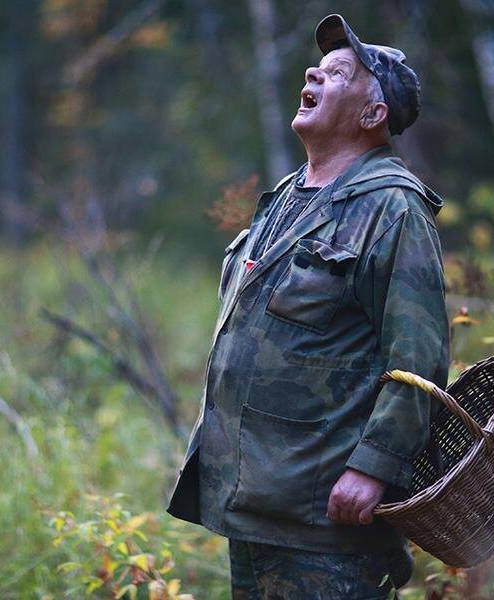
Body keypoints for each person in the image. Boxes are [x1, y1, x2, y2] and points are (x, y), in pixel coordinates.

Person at [166, 13, 450, 599]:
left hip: (327, 519)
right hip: (256, 503)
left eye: (338, 73)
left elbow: (418, 360)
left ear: (374, 116)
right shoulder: (284, 200)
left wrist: (373, 467)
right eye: (317, 67)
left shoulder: (393, 208)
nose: (313, 73)